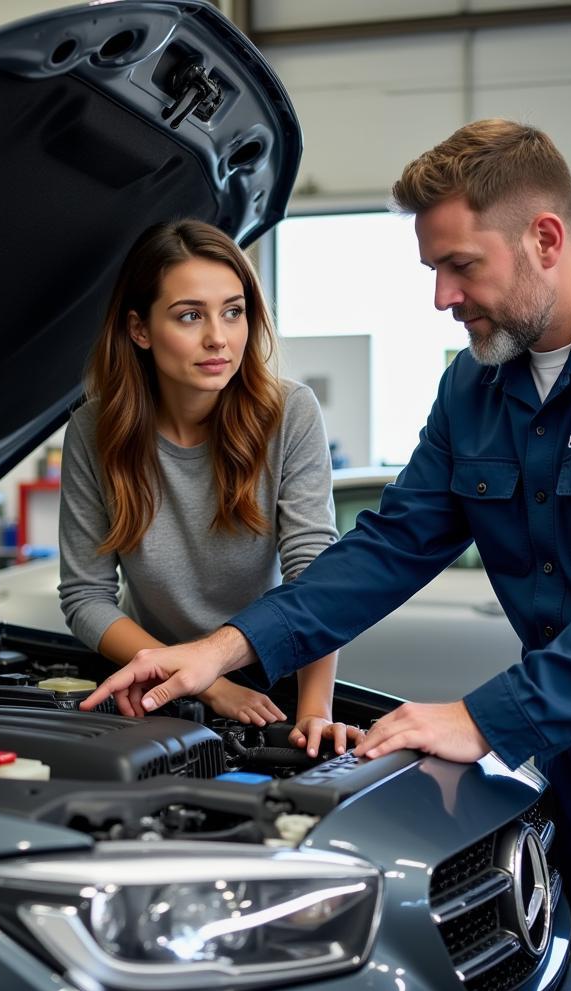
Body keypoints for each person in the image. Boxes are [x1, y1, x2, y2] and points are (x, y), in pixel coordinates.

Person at [80, 122, 571, 991]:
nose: (441, 296)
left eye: (460, 266)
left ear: (544, 238)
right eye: (432, 270)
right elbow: (390, 545)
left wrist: (483, 718)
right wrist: (223, 650)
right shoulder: (475, 387)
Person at [62, 218, 359, 756]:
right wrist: (208, 682)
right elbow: (85, 596)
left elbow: (314, 573)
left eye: (233, 311)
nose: (218, 338)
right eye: (190, 315)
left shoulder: (290, 413)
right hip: (147, 690)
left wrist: (315, 711)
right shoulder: (92, 431)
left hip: (275, 688)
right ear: (140, 330)